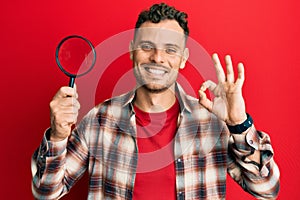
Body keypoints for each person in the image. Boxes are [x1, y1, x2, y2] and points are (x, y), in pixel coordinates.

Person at [31, 3, 280, 199]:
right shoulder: (99, 119)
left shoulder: (211, 123)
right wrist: (58, 135)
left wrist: (238, 123)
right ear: (131, 50)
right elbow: (46, 192)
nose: (158, 57)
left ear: (183, 58)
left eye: (170, 49)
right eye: (147, 46)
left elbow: (266, 189)